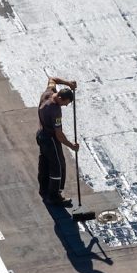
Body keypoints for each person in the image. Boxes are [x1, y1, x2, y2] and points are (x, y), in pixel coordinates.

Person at [36, 76, 79, 206]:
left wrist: (68, 83)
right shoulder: (55, 111)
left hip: (41, 134)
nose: (66, 105)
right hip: (50, 140)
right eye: (66, 102)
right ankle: (54, 196)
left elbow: (52, 79)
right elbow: (59, 135)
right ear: (60, 98)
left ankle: (44, 189)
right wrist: (72, 146)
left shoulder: (48, 93)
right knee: (58, 166)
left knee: (44, 162)